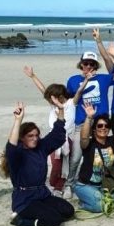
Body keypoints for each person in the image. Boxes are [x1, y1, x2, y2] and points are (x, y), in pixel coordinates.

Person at [3, 102, 75, 226]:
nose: (35, 138)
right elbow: (11, 146)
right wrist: (18, 120)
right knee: (54, 220)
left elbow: (57, 135)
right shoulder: (16, 155)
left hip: (42, 194)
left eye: (36, 135)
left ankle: (44, 212)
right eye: (30, 136)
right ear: (22, 138)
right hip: (24, 200)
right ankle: (19, 221)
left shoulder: (40, 147)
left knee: (68, 210)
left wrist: (61, 110)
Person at [22, 66, 88, 196]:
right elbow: (43, 90)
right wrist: (33, 76)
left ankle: (61, 186)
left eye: (53, 98)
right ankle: (54, 185)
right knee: (56, 164)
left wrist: (86, 80)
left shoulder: (70, 103)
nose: (50, 100)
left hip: (67, 138)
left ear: (61, 96)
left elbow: (79, 91)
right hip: (53, 138)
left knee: (67, 163)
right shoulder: (53, 104)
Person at [65, 52, 114, 191]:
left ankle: (102, 179)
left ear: (95, 66)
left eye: (92, 64)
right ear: (81, 64)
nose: (88, 66)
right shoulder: (72, 80)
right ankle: (69, 184)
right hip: (82, 124)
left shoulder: (103, 78)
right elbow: (70, 101)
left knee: (102, 156)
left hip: (100, 126)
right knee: (76, 157)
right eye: (86, 63)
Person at [74, 104, 114, 213]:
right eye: (100, 126)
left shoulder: (111, 141)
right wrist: (89, 117)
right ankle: (83, 204)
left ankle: (95, 197)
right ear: (94, 129)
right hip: (86, 185)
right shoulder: (89, 144)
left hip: (106, 184)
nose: (103, 128)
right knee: (100, 207)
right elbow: (84, 137)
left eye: (106, 126)